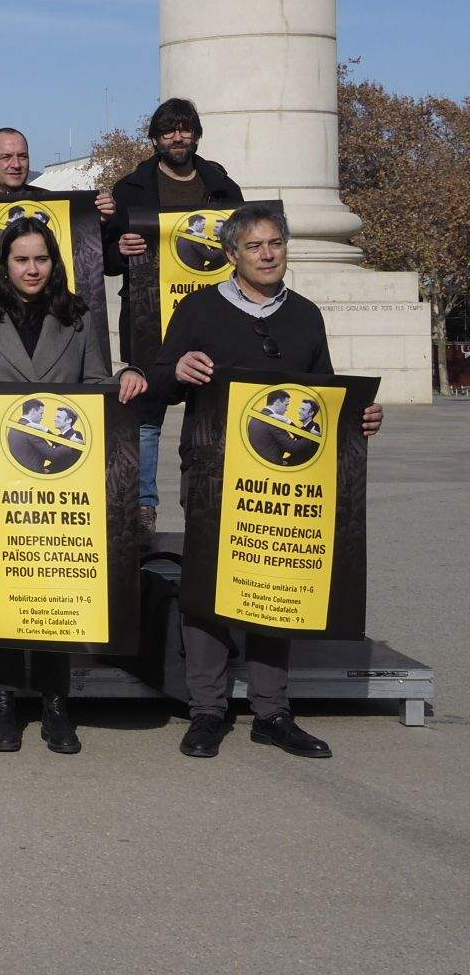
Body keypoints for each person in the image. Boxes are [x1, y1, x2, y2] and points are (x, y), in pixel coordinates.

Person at [152, 205, 384, 761]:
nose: (267, 254)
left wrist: (359, 418)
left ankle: (272, 711)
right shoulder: (198, 309)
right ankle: (207, 709)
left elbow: (323, 397)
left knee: (276, 583)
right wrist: (176, 371)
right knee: (208, 586)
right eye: (254, 246)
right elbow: (159, 382)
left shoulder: (305, 315)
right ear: (231, 254)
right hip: (213, 471)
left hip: (282, 479)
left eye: (275, 243)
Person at [0, 216, 148, 755]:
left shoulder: (79, 317)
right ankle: (4, 703)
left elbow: (97, 384)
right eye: (21, 259)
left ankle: (57, 704)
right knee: (2, 585)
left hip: (61, 476)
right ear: (4, 264)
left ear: (54, 263)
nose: (32, 269)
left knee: (56, 587)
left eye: (41, 258)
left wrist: (124, 379)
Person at [103, 98, 244, 544]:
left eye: (184, 129)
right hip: (148, 315)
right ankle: (143, 506)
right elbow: (102, 259)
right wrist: (118, 251)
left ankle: (211, 502)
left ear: (196, 134)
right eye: (168, 131)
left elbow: (244, 246)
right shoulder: (129, 189)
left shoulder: (222, 186)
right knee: (145, 411)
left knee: (216, 408)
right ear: (155, 138)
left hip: (214, 314)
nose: (177, 138)